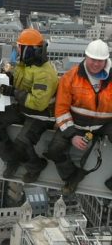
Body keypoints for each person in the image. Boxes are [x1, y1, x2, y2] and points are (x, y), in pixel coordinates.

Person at [0, 29, 58, 183]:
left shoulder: (45, 73)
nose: (17, 49)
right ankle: (11, 160)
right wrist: (9, 78)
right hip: (24, 108)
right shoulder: (25, 64)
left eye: (20, 46)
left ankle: (35, 166)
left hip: (41, 115)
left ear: (28, 49)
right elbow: (21, 84)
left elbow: (38, 103)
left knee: (22, 144)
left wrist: (13, 91)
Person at [47, 39, 112, 195]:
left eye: (100, 61)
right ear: (86, 57)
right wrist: (72, 135)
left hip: (105, 124)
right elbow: (61, 109)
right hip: (76, 123)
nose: (96, 64)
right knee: (55, 150)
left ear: (106, 60)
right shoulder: (70, 77)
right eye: (93, 59)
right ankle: (72, 177)